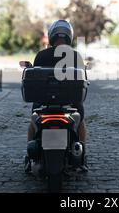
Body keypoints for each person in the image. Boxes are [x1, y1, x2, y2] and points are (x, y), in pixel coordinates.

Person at [25, 19, 88, 172]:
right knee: (80, 121)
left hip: (44, 102)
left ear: (52, 36)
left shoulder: (41, 55)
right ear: (69, 36)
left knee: (33, 120)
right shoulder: (75, 56)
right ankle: (83, 155)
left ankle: (29, 157)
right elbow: (83, 80)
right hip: (70, 103)